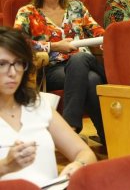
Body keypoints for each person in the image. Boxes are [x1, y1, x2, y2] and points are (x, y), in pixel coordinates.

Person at [13, 0, 106, 145]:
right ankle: (109, 137)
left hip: (84, 60)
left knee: (79, 60)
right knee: (91, 79)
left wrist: (107, 40)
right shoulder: (28, 12)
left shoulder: (76, 7)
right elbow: (17, 43)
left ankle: (70, 129)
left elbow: (97, 30)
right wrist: (54, 46)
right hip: (51, 69)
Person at [0, 27, 96, 187]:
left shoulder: (38, 104)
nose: (13, 72)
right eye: (2, 64)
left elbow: (84, 153)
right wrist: (5, 166)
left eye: (18, 63)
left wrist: (78, 165)